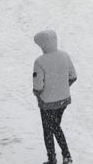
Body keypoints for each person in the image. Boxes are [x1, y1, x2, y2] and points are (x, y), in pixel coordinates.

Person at [33, 29, 76, 164]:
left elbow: (38, 85)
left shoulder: (40, 61)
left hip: (47, 102)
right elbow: (73, 76)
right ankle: (65, 156)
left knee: (49, 129)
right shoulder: (64, 55)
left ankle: (56, 157)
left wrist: (38, 93)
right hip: (63, 100)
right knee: (55, 125)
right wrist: (62, 87)